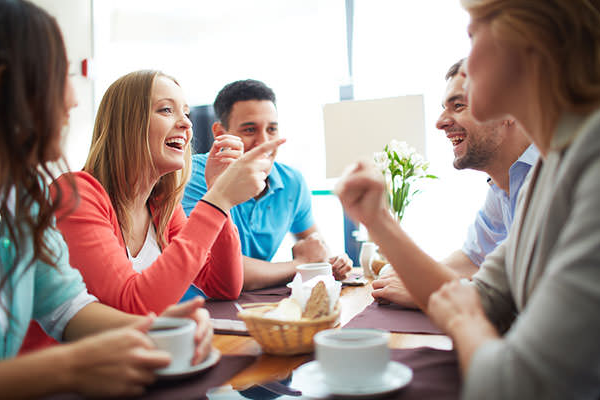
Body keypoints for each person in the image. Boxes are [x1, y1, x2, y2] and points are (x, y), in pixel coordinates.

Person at [335, 0, 600, 398]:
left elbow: (518, 386)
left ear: (531, 44)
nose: (466, 66)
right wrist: (378, 220)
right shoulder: (546, 171)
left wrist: (463, 322)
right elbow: (485, 297)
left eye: (473, 36)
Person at [0, 0, 212, 397]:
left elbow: (66, 306)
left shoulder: (22, 206)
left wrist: (160, 328)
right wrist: (70, 366)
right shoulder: (75, 193)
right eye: (62, 76)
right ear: (5, 88)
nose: (74, 100)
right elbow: (131, 299)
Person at [22, 71, 285, 351]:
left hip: (127, 360)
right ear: (127, 124)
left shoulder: (161, 205)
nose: (185, 123)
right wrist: (217, 201)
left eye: (185, 113)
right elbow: (132, 306)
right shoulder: (76, 194)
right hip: (57, 377)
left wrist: (218, 193)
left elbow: (224, 285)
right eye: (166, 110)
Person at [372, 58, 538, 307]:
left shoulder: (554, 176)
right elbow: (473, 257)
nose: (440, 122)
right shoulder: (502, 183)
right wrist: (414, 278)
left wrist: (429, 291)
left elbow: (529, 294)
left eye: (458, 106)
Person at [182, 79, 352, 291]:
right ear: (219, 133)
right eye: (250, 130)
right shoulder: (195, 175)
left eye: (272, 129)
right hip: (198, 311)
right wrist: (300, 265)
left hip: (255, 308)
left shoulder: (292, 181)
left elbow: (316, 247)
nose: (264, 142)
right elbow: (219, 272)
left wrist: (332, 260)